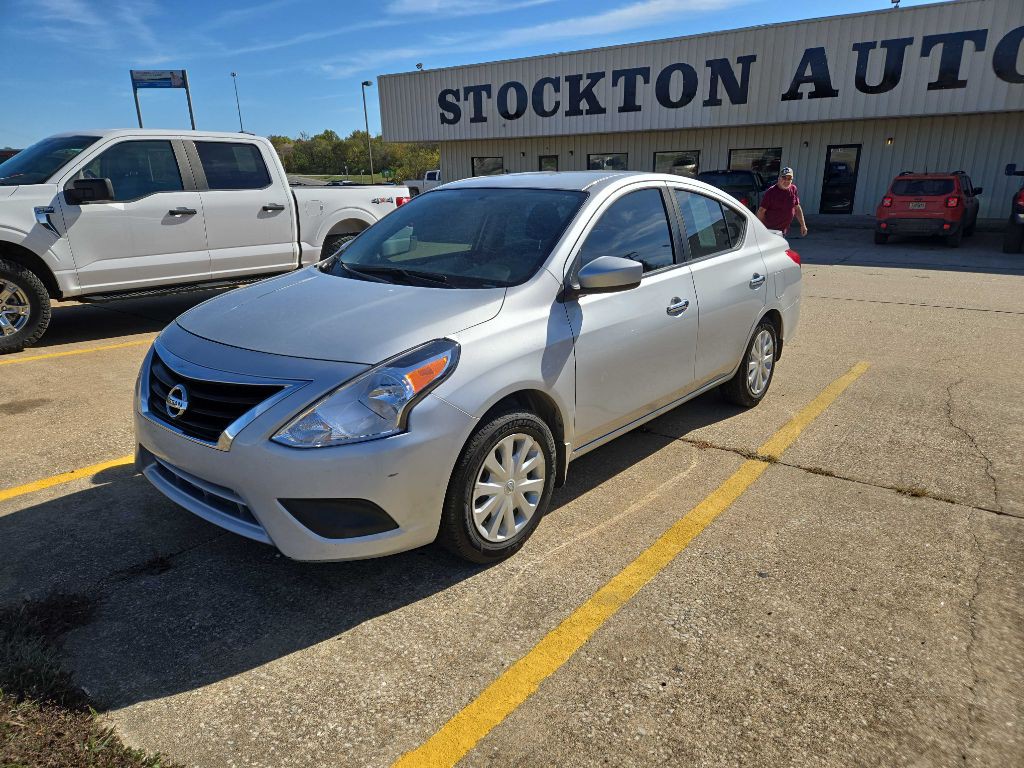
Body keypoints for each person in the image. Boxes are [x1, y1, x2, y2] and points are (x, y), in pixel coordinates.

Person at [757, 167, 807, 237]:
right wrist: (760, 228)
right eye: (784, 178)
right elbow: (761, 211)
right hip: (770, 231)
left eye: (789, 178)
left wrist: (803, 225)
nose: (786, 181)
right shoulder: (771, 192)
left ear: (792, 180)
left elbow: (797, 208)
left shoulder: (793, 189)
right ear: (779, 178)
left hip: (783, 231)